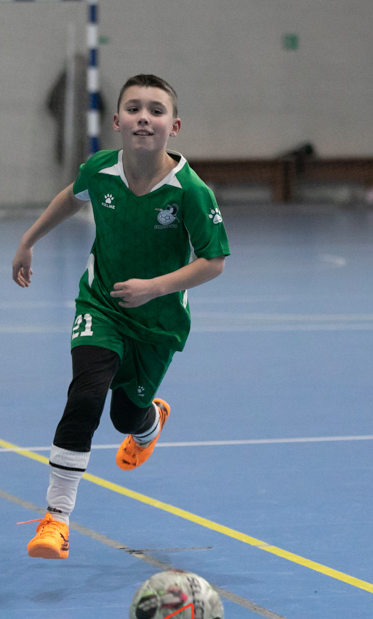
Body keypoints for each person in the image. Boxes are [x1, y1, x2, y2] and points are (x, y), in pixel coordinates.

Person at [12, 74, 230, 560]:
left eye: (156, 110)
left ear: (174, 126)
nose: (143, 118)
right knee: (86, 396)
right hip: (102, 304)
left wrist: (155, 287)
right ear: (116, 121)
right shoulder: (101, 169)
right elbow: (72, 195)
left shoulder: (190, 191)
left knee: (124, 417)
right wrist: (29, 240)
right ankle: (56, 519)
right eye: (134, 108)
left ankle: (150, 421)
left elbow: (213, 261)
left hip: (158, 321)